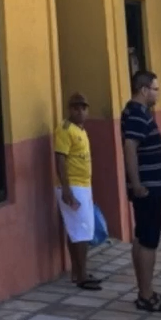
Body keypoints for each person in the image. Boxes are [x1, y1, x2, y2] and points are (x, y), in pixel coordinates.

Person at [121, 71, 161, 313]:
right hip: (148, 188)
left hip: (150, 186)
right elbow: (129, 148)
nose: (157, 93)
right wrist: (137, 184)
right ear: (143, 90)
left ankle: (145, 290)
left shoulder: (140, 113)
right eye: (155, 89)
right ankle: (146, 295)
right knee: (148, 241)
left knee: (142, 237)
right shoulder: (135, 114)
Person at [53, 93, 100, 291]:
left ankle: (77, 272)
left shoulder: (80, 130)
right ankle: (81, 275)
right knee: (82, 231)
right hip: (73, 186)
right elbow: (60, 159)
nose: (80, 111)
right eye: (75, 108)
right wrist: (66, 189)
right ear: (69, 109)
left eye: (83, 108)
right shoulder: (65, 130)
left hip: (83, 185)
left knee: (77, 230)